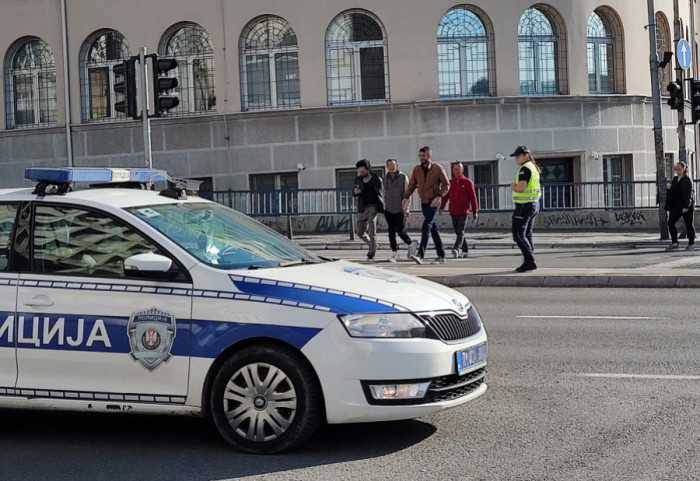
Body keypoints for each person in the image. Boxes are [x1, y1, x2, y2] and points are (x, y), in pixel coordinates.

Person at [402, 146, 450, 265]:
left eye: (424, 156)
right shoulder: (417, 169)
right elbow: (412, 185)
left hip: (434, 202)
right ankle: (441, 255)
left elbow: (446, 184)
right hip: (424, 202)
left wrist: (439, 196)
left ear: (429, 156)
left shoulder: (437, 168)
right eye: (420, 156)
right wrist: (406, 197)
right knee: (433, 229)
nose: (422, 158)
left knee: (426, 226)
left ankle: (420, 254)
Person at [510, 145, 541, 272]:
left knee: (518, 234)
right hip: (533, 204)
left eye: (518, 155)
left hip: (524, 206)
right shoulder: (533, 167)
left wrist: (513, 186)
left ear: (526, 155)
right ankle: (529, 259)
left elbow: (520, 188)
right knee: (527, 234)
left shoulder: (525, 169)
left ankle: (529, 261)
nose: (516, 158)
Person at [441, 162, 478, 259]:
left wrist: (475, 211)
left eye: (458, 169)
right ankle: (465, 250)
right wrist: (441, 207)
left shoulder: (467, 182)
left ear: (462, 170)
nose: (456, 171)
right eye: (454, 169)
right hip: (453, 211)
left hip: (463, 211)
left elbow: (473, 198)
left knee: (461, 231)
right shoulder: (451, 183)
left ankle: (456, 248)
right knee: (458, 232)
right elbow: (446, 197)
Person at [383, 158, 418, 262]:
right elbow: (383, 194)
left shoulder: (403, 177)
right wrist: (384, 207)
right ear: (387, 167)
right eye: (389, 166)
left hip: (400, 209)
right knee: (391, 232)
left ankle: (411, 243)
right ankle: (395, 253)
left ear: (397, 166)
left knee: (400, 230)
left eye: (393, 166)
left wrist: (406, 208)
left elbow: (407, 194)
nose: (391, 168)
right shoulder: (385, 179)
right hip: (389, 209)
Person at [353, 159, 385, 261]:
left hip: (373, 206)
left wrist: (383, 205)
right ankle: (373, 245)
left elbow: (382, 192)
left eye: (363, 172)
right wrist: (355, 192)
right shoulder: (358, 179)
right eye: (360, 172)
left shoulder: (376, 178)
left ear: (368, 169)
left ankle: (371, 253)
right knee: (359, 231)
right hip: (362, 207)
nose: (361, 173)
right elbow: (354, 192)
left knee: (372, 230)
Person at [665, 161, 696, 251]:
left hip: (686, 205)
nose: (678, 171)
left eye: (680, 169)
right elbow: (672, 192)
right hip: (676, 205)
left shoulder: (687, 179)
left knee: (689, 223)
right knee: (671, 222)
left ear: (684, 169)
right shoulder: (675, 179)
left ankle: (691, 243)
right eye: (676, 169)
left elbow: (690, 193)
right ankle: (674, 242)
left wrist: (686, 206)